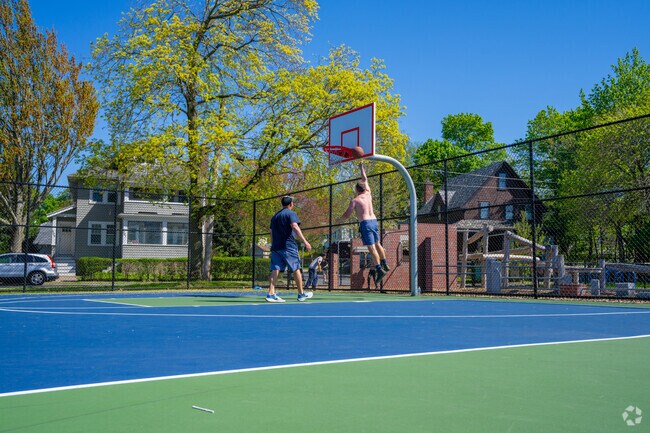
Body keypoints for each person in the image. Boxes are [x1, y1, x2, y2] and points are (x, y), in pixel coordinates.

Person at [336, 162, 390, 284]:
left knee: (371, 248)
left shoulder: (355, 200)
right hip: (374, 221)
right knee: (378, 244)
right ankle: (385, 263)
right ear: (364, 188)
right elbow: (365, 179)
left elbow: (346, 215)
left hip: (365, 223)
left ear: (356, 189)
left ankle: (379, 269)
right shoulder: (368, 193)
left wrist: (338, 221)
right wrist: (361, 167)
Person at [267, 196, 313, 303]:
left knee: (275, 269)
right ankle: (301, 294)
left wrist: (273, 245)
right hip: (289, 247)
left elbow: (271, 232)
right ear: (291, 204)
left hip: (276, 247)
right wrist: (305, 241)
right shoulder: (291, 214)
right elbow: (295, 226)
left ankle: (271, 294)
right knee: (295, 268)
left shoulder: (275, 217)